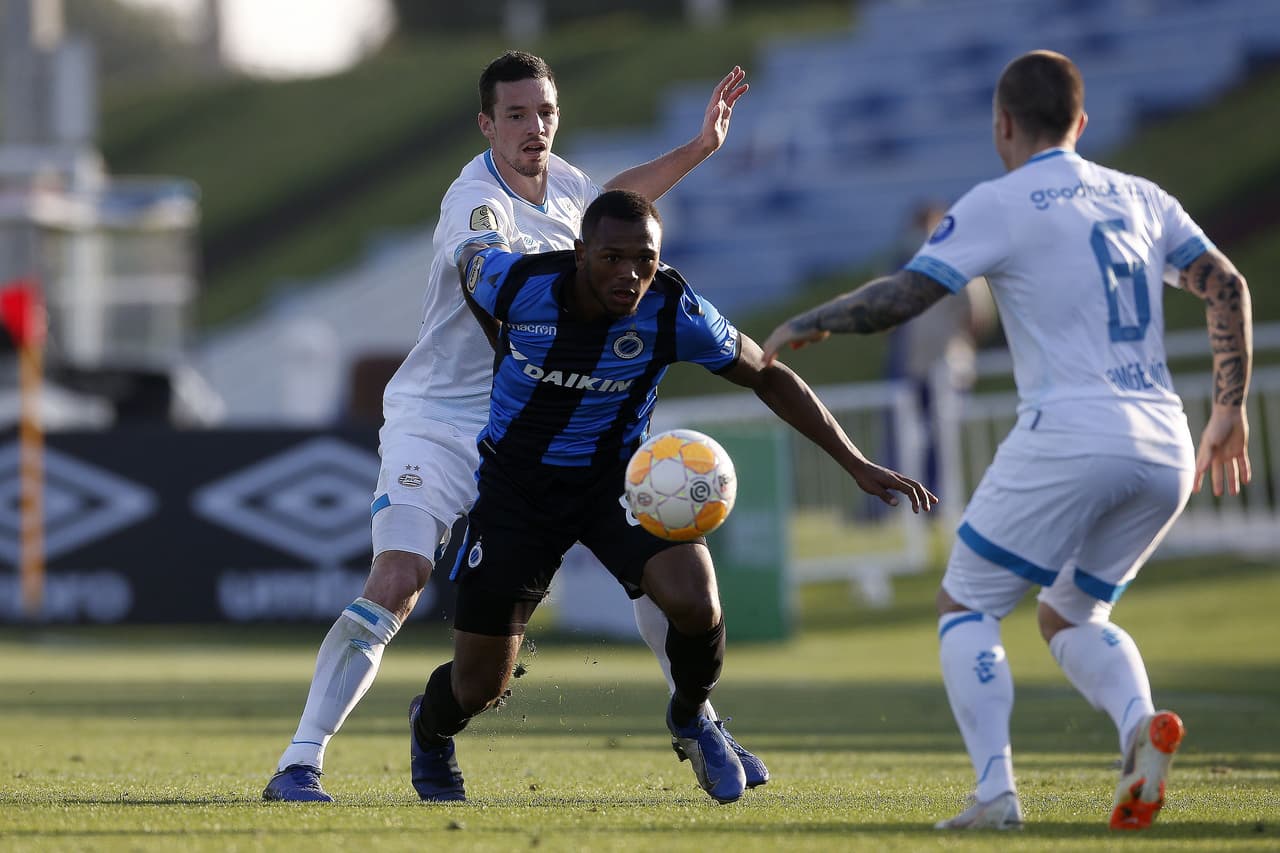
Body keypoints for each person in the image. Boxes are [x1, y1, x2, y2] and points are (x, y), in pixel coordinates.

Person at [762, 50, 1251, 831]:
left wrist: (805, 321)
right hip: (1166, 442)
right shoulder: (1144, 197)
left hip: (1071, 431)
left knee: (965, 601)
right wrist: (1230, 408)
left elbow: (905, 295)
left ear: (1002, 125)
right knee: (1072, 615)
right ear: (1082, 124)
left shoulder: (1001, 200)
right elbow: (1228, 284)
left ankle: (995, 792)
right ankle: (1138, 727)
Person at [264, 51, 755, 803]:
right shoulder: (474, 202)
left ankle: (701, 719)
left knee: (651, 553)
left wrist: (698, 149)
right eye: (518, 115)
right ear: (487, 123)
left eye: (546, 113)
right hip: (439, 419)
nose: (535, 129)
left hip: (531, 420)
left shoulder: (565, 183)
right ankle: (301, 760)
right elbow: (486, 280)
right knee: (397, 580)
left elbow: (617, 202)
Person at [409, 189, 936, 804]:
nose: (630, 274)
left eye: (645, 259)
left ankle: (692, 717)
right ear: (580, 254)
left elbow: (765, 372)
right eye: (611, 258)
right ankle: (430, 727)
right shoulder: (518, 283)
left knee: (695, 600)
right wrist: (501, 337)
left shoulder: (671, 309)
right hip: (516, 489)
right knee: (480, 687)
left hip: (619, 482)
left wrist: (855, 462)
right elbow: (468, 260)